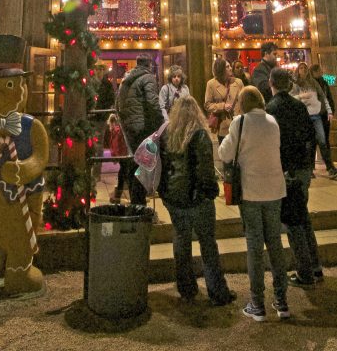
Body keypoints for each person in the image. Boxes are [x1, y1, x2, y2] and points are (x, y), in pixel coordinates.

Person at [218, 85, 289, 322]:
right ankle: (281, 300)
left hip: (250, 190)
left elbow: (224, 153)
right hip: (275, 189)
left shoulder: (239, 123)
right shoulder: (272, 122)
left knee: (254, 246)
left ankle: (257, 303)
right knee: (276, 243)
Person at [158, 94, 236, 306]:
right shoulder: (199, 135)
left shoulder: (168, 134)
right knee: (208, 243)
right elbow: (204, 170)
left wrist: (165, 192)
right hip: (196, 197)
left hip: (175, 197)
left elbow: (165, 167)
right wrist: (210, 192)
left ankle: (186, 288)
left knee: (181, 241)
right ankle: (217, 291)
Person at [267, 67, 324, 288]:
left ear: (271, 83)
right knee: (303, 217)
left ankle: (305, 271)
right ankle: (315, 266)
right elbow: (311, 137)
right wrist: (308, 164)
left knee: (293, 221)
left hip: (286, 170)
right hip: (302, 166)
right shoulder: (299, 106)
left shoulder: (271, 109)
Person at [115, 55, 163, 206]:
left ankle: (136, 201)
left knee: (134, 164)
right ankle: (140, 204)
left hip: (129, 127)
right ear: (149, 65)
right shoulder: (148, 78)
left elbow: (117, 104)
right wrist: (161, 122)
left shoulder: (125, 80)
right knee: (143, 165)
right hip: (143, 127)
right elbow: (153, 102)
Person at [293, 62, 337, 180]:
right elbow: (292, 97)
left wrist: (329, 110)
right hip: (304, 117)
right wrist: (302, 98)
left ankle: (330, 168)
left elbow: (323, 96)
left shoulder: (314, 82)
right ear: (297, 70)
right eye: (301, 68)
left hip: (316, 115)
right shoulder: (295, 84)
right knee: (309, 144)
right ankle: (309, 170)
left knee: (322, 141)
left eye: (305, 68)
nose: (303, 70)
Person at [204, 57, 242, 145]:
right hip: (223, 126)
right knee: (226, 156)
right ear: (221, 69)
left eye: (230, 66)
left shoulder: (238, 82)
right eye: (227, 67)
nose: (230, 68)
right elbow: (207, 105)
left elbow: (244, 101)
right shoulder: (211, 84)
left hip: (238, 124)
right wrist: (222, 106)